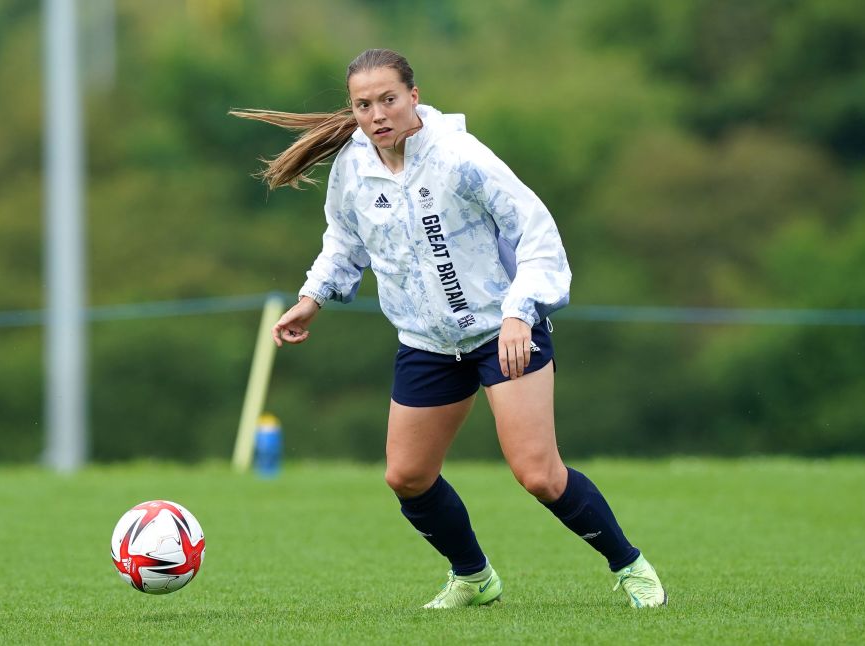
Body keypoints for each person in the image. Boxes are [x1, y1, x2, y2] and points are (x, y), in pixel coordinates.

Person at [231, 48, 667, 610]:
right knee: (407, 477)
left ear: (414, 96)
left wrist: (519, 313)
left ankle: (631, 566)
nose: (377, 114)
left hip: (500, 332)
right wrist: (312, 297)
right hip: (427, 343)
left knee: (538, 475)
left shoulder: (461, 158)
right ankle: (474, 578)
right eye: (364, 105)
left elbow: (538, 236)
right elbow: (343, 240)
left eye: (388, 99)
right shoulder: (354, 168)